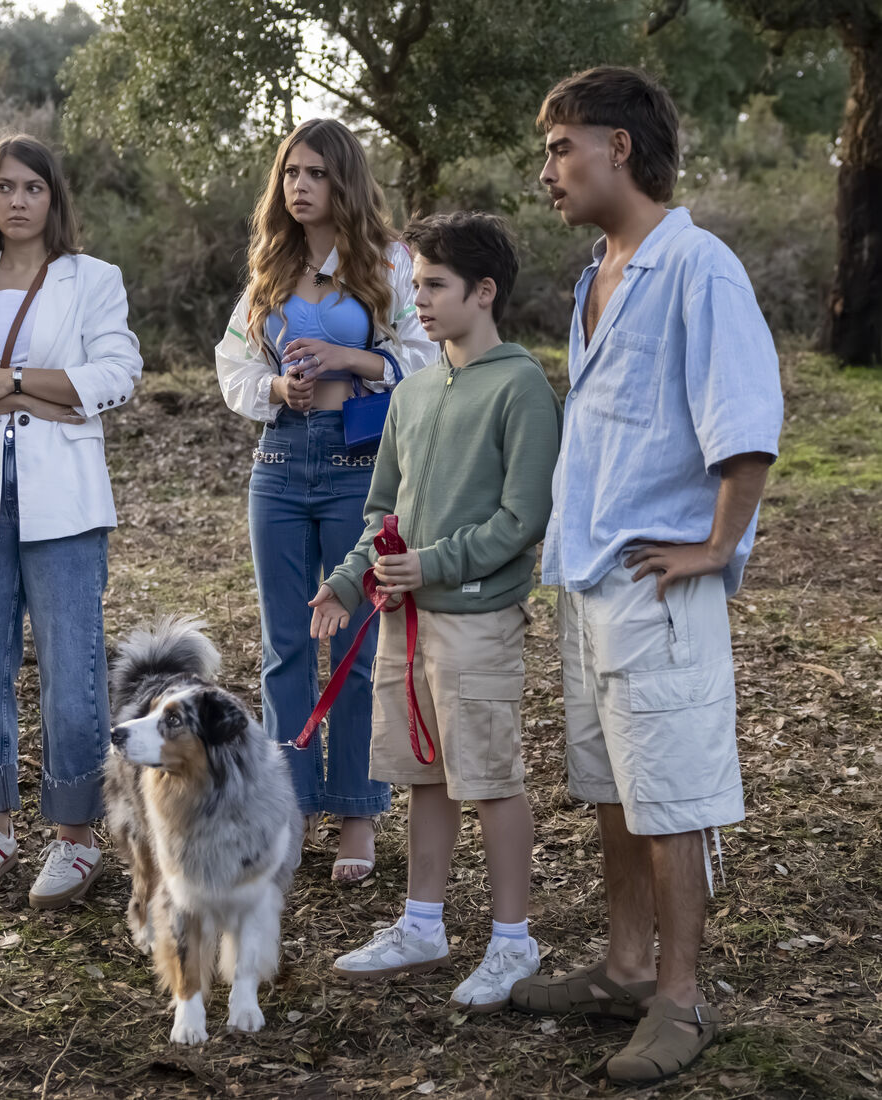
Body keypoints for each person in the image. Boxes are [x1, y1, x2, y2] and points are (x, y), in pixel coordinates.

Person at [508, 68, 783, 1084]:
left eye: (558, 146)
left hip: (659, 583)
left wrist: (714, 545)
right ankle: (623, 969)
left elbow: (744, 421)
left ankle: (678, 997)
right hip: (591, 573)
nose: (546, 169)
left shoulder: (696, 267)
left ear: (616, 146)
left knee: (668, 795)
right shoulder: (598, 271)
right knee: (615, 790)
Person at [311, 211, 562, 1009]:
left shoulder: (521, 385)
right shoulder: (413, 390)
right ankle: (422, 924)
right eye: (414, 283)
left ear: (484, 292)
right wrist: (351, 579)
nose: (416, 298)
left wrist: (433, 566)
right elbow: (383, 511)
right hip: (401, 620)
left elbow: (523, 518)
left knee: (487, 778)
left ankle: (512, 942)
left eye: (434, 285)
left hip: (477, 619)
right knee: (423, 775)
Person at [0, 134, 142, 909]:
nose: (17, 200)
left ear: (54, 198)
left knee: (72, 673)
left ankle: (75, 841)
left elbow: (116, 374)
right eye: (4, 187)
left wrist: (10, 381)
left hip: (66, 498)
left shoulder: (92, 279)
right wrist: (34, 393)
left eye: (32, 188)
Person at [215, 118, 433, 883]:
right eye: (289, 174)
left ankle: (357, 816)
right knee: (284, 644)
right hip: (279, 462)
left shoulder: (387, 264)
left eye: (314, 173)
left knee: (357, 644)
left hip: (358, 463)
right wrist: (277, 384)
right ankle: (287, 814)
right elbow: (234, 364)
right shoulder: (269, 269)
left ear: (344, 181)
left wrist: (353, 358)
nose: (298, 187)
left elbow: (425, 354)